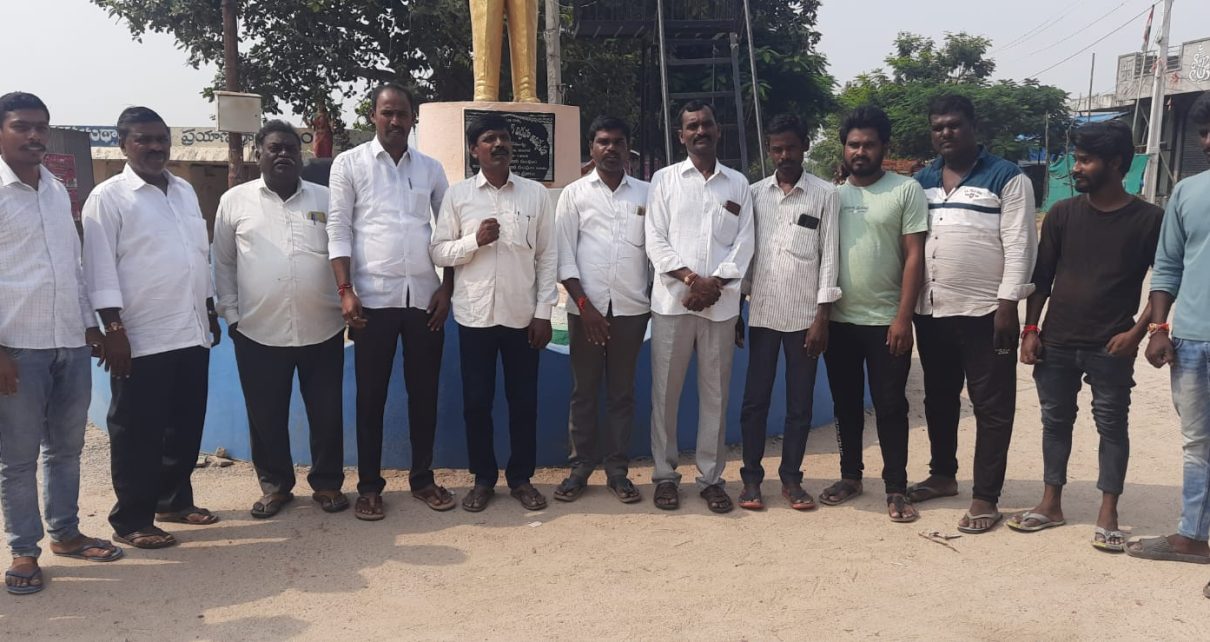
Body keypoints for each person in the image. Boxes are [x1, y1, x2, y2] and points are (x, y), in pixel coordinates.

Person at [1011, 120, 1160, 550]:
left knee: (1111, 425)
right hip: (1056, 341)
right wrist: (1031, 330)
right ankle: (1050, 503)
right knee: (1055, 422)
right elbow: (1042, 279)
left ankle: (1108, 512)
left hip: (1111, 345)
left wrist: (1136, 333)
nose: (1075, 168)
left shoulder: (1149, 219)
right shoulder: (1062, 214)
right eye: (1076, 159)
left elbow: (1165, 282)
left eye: (1085, 160)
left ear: (1115, 163)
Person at [82, 106, 223, 549]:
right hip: (140, 336)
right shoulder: (108, 198)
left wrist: (209, 309)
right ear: (123, 144)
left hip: (190, 329)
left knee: (184, 424)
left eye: (161, 138)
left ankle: (172, 500)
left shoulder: (183, 190)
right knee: (137, 431)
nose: (155, 146)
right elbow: (98, 268)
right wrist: (113, 329)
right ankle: (131, 520)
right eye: (143, 139)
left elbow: (197, 254)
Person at [0, 91, 123, 595]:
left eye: (41, 127)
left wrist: (90, 326)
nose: (34, 136)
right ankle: (23, 551)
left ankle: (66, 534)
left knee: (66, 449)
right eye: (22, 126)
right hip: (18, 346)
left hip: (69, 342)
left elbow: (71, 265)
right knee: (17, 457)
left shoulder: (54, 189)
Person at [910, 94, 1038, 534]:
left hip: (986, 313)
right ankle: (943, 475)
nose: (946, 133)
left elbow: (1020, 245)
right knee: (939, 398)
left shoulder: (1007, 177)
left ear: (972, 126)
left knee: (992, 406)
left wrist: (1008, 305)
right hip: (932, 310)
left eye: (954, 125)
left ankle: (986, 495)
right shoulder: (922, 180)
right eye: (938, 127)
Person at [327, 83, 453, 520]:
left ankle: (423, 479)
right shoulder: (349, 164)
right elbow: (338, 229)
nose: (395, 121)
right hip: (372, 302)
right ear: (374, 117)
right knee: (371, 397)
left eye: (402, 113)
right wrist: (345, 290)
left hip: (423, 299)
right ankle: (369, 487)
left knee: (424, 394)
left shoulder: (431, 168)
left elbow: (449, 230)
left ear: (412, 118)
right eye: (387, 113)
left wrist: (447, 289)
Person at [213, 121, 348, 518]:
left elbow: (344, 252)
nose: (284, 154)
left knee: (327, 413)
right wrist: (232, 315)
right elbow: (223, 262)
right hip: (258, 331)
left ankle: (327, 484)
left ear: (300, 155)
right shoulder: (234, 202)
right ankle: (275, 487)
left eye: (291, 147)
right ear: (259, 153)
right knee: (266, 416)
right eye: (275, 148)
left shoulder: (326, 199)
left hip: (322, 327)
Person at [430, 113, 557, 512]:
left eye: (504, 138)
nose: (499, 144)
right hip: (475, 317)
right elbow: (438, 251)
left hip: (522, 318)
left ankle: (521, 479)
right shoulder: (458, 196)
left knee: (523, 403)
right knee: (476, 403)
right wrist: (474, 241)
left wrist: (543, 312)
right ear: (474, 150)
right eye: (489, 139)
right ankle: (483, 479)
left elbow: (547, 256)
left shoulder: (535, 194)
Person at [818, 105, 927, 523]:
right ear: (844, 148)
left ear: (884, 147)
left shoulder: (905, 190)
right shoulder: (833, 196)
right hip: (840, 322)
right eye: (853, 145)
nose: (860, 152)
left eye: (868, 145)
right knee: (845, 404)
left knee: (890, 406)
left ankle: (896, 487)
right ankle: (850, 477)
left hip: (886, 322)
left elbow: (914, 256)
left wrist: (903, 319)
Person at [645, 101, 755, 514]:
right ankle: (664, 476)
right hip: (672, 304)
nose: (700, 131)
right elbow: (655, 240)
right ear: (681, 136)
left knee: (715, 396)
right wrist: (693, 280)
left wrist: (714, 286)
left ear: (718, 130)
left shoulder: (737, 184)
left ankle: (711, 479)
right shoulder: (664, 180)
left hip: (720, 308)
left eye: (706, 124)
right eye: (692, 126)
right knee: (665, 395)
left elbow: (745, 243)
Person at [736, 113, 840, 511]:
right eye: (777, 149)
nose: (784, 156)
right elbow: (746, 256)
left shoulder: (825, 194)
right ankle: (751, 479)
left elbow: (829, 258)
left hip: (804, 319)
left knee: (800, 405)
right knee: (755, 401)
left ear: (805, 146)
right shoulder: (754, 194)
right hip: (762, 313)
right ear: (769, 150)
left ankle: (792, 480)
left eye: (791, 148)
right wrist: (737, 311)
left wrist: (821, 318)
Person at [1128, 93, 1210, 591]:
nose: (1209, 140)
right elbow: (1168, 265)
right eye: (1204, 132)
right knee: (1197, 445)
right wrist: (1159, 328)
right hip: (1193, 340)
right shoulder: (1187, 192)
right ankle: (1192, 537)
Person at [552, 116, 650, 503]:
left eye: (618, 142)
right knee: (584, 391)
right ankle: (580, 467)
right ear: (591, 147)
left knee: (622, 393)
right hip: (584, 311)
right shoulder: (574, 194)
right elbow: (564, 257)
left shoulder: (646, 194)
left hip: (631, 308)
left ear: (628, 148)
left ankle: (617, 470)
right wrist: (585, 307)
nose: (611, 148)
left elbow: (655, 252)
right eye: (603, 141)